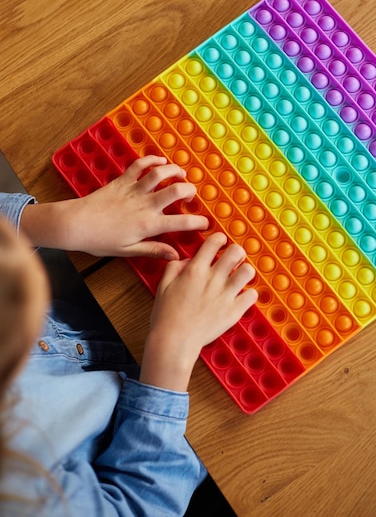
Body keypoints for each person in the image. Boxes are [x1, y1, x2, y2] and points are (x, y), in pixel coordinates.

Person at [0, 156, 257, 516]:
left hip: (86, 311)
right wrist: (171, 352)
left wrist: (55, 223)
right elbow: (140, 505)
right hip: (174, 419)